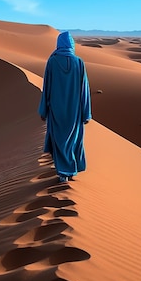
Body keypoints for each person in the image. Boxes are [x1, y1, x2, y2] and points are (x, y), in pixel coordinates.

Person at [38, 31, 92, 183]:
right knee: (72, 139)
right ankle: (69, 171)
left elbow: (46, 87)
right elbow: (84, 90)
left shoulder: (52, 62)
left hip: (56, 109)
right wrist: (86, 113)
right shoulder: (79, 62)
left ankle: (63, 173)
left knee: (59, 140)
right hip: (74, 111)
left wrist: (43, 109)